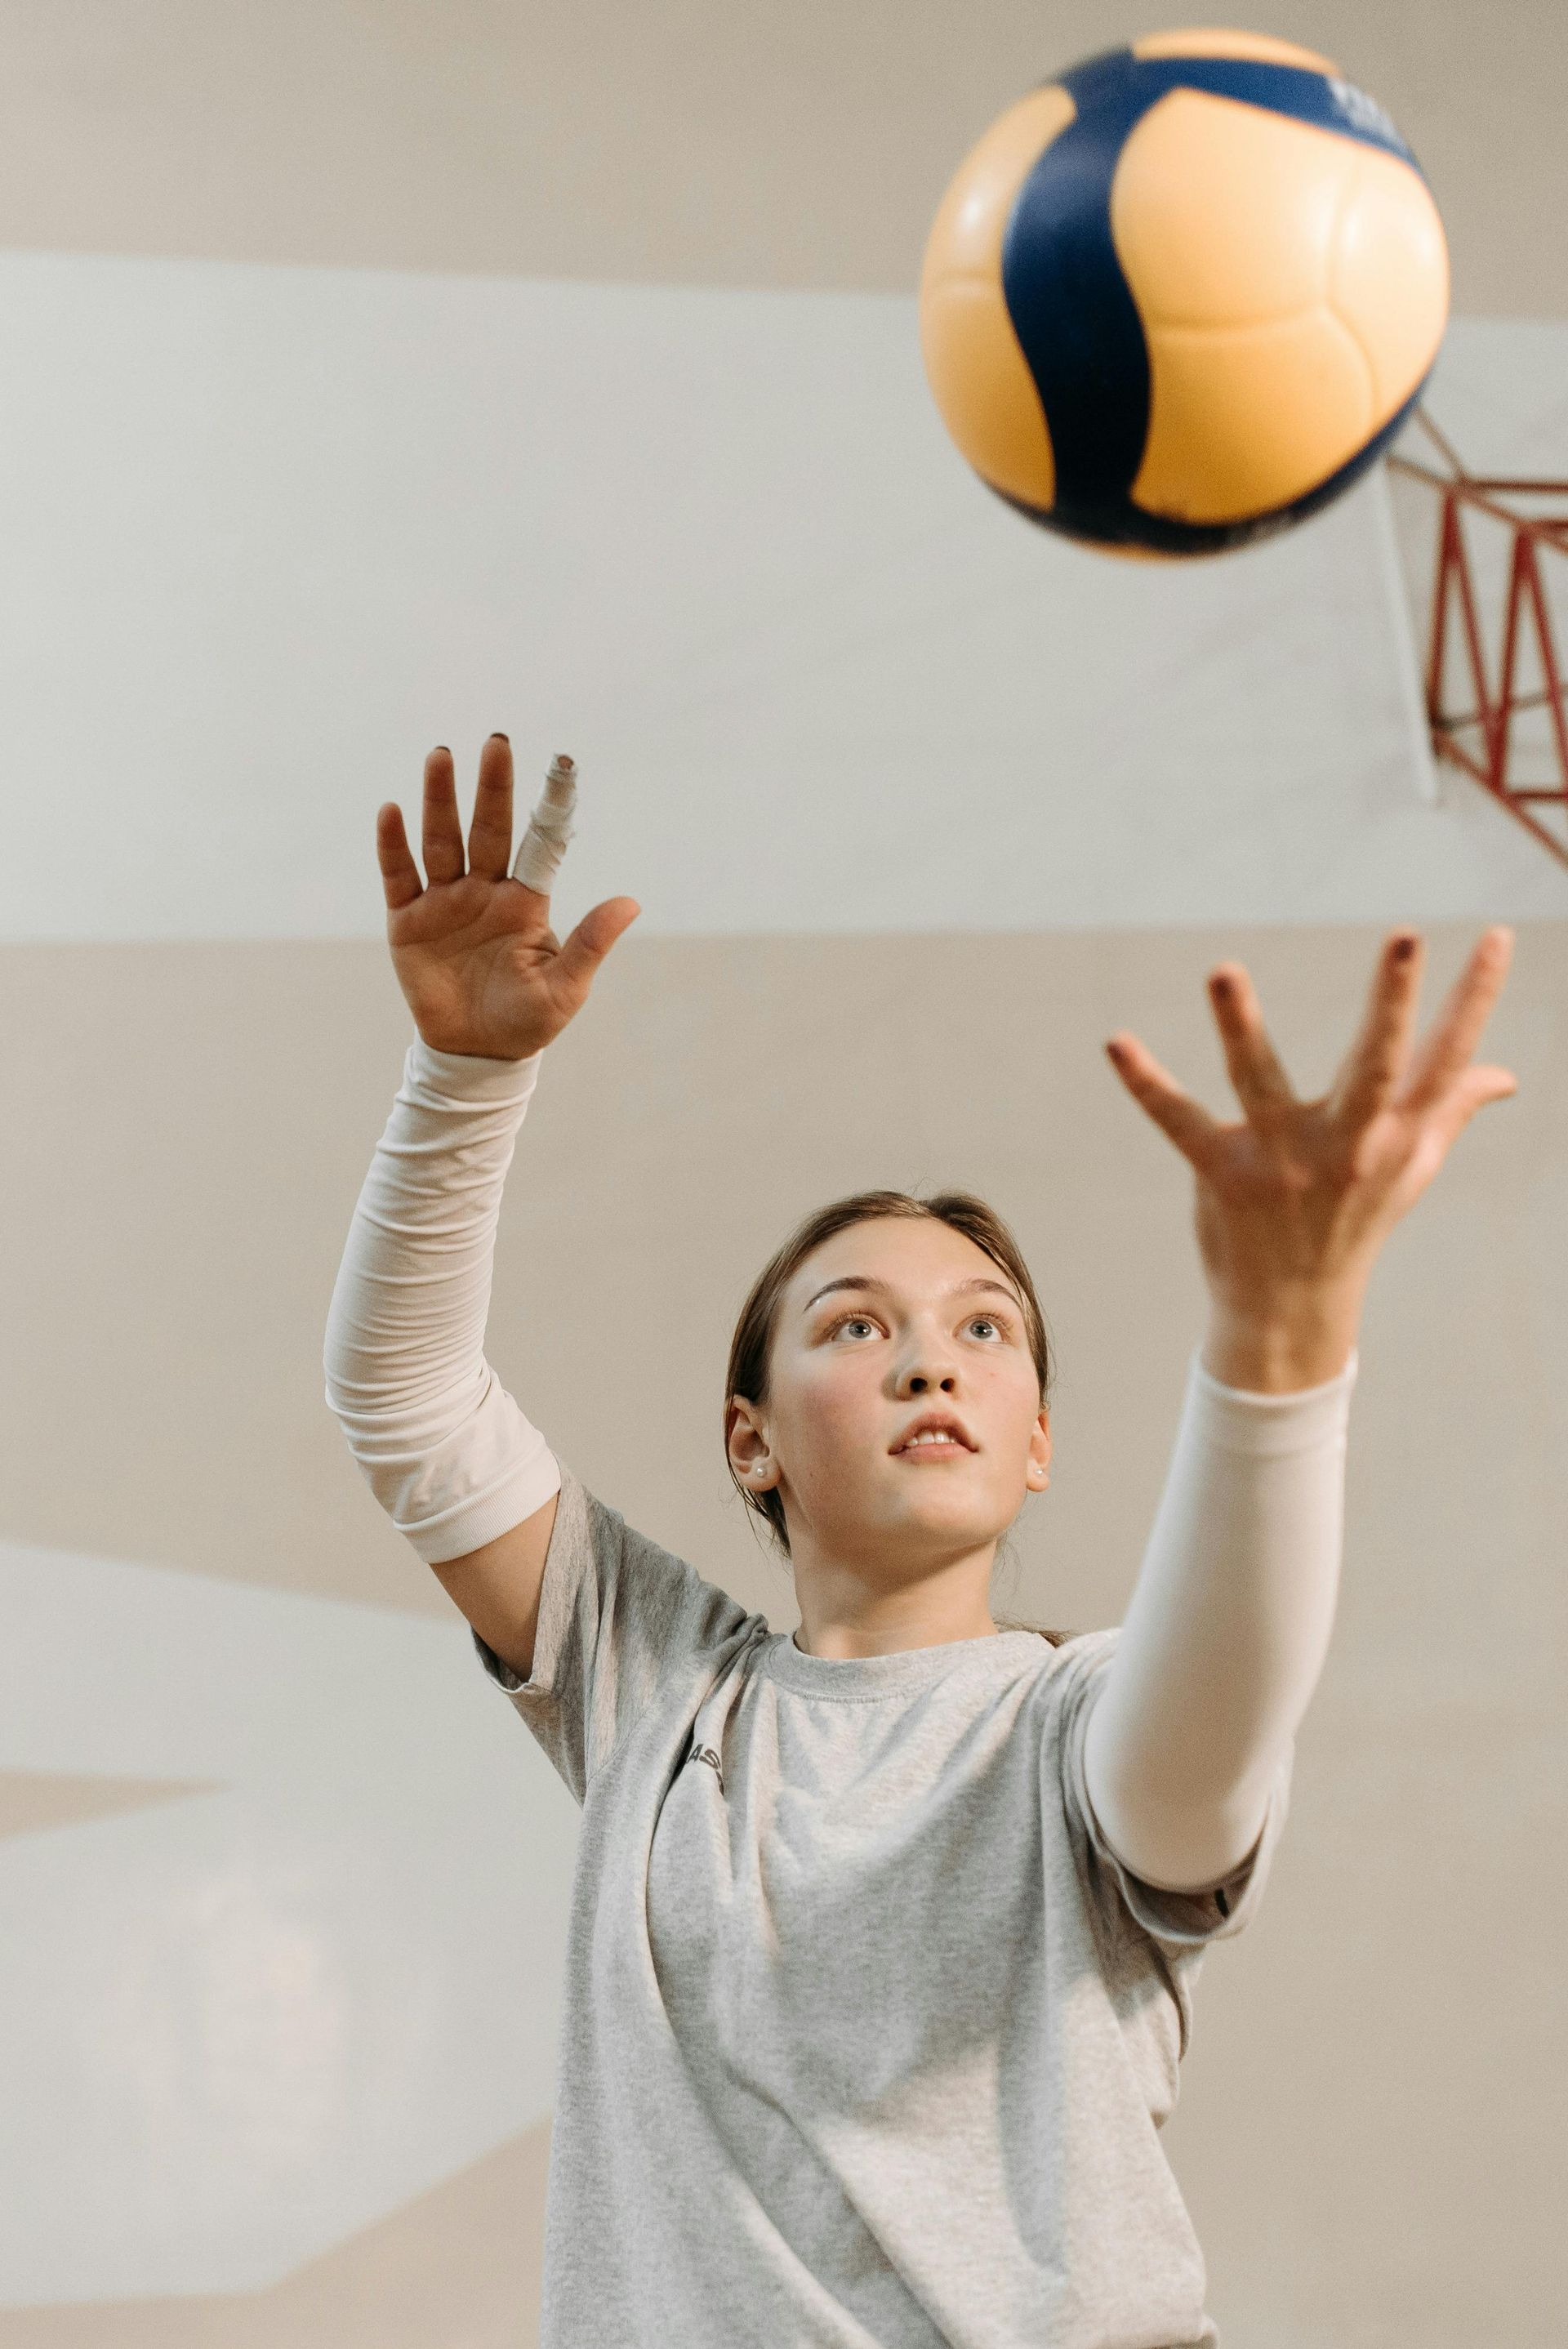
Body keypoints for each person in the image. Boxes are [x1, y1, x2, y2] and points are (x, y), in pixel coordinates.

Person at [323, 735, 1517, 2349]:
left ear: (1036, 1444)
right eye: (856, 1323)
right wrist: (467, 1074)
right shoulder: (655, 1686)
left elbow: (1212, 1731)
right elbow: (406, 1400)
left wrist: (1280, 1333)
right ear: (752, 1437)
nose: (928, 1357)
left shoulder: (1074, 1729)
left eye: (983, 1328)